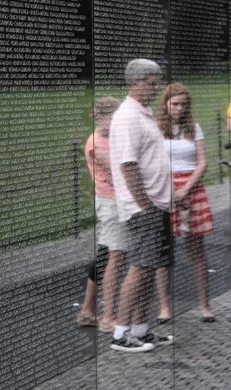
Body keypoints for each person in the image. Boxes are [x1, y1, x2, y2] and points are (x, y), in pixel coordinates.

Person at [109, 59, 173, 353]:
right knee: (140, 267)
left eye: (158, 81)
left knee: (148, 268)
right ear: (135, 82)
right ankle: (121, 335)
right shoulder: (127, 116)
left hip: (157, 204)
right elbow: (128, 164)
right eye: (152, 82)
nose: (157, 87)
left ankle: (141, 329)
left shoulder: (142, 113)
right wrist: (144, 204)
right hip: (144, 207)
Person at [156, 83, 215, 322]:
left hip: (191, 188)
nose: (179, 108)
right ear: (166, 104)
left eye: (183, 104)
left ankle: (204, 305)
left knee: (196, 249)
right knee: (165, 251)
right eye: (175, 103)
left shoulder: (194, 128)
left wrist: (187, 188)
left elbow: (203, 162)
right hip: (165, 189)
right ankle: (165, 307)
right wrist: (170, 190)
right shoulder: (156, 128)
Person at [77, 97, 127, 332]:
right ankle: (108, 316)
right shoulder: (96, 143)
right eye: (112, 118)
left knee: (105, 255)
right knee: (114, 256)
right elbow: (119, 168)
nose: (116, 123)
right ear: (99, 117)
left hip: (118, 202)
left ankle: (88, 310)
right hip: (110, 203)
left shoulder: (113, 138)